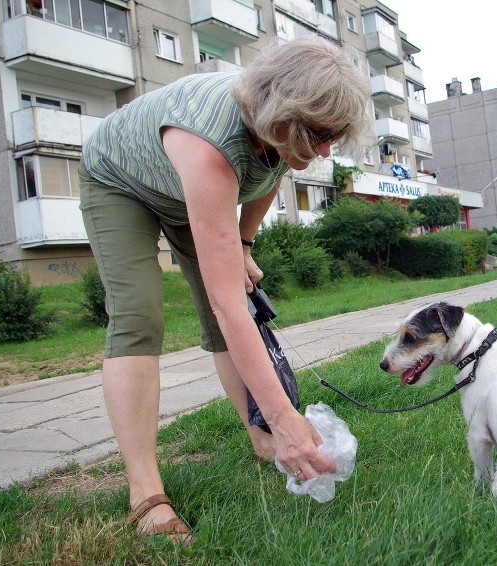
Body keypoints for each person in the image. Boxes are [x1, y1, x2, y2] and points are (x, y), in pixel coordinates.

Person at [79, 36, 370, 542]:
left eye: (335, 135)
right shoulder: (212, 143)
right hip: (121, 181)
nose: (325, 151)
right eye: (319, 134)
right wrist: (286, 416)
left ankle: (260, 438)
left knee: (229, 312)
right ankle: (146, 494)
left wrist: (243, 243)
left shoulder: (282, 133)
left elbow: (271, 174)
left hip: (187, 188)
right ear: (280, 115)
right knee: (139, 315)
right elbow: (228, 304)